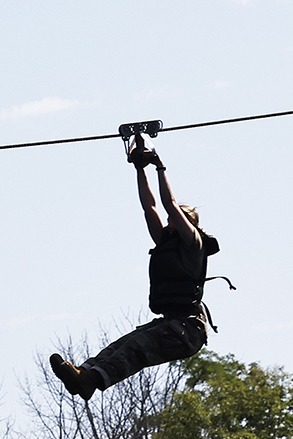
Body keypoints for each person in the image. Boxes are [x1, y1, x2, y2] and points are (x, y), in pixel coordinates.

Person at [50, 138, 222, 401]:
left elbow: (169, 206)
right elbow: (149, 207)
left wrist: (160, 167)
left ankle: (92, 380)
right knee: (122, 344)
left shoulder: (194, 243)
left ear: (193, 225)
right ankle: (83, 376)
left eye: (181, 219)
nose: (171, 222)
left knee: (137, 347)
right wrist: (140, 169)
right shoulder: (165, 242)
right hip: (171, 323)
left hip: (188, 330)